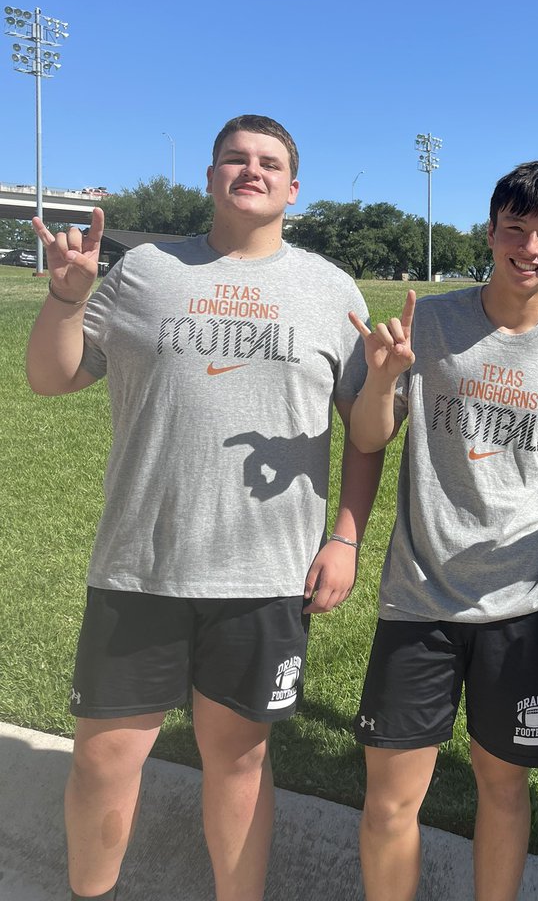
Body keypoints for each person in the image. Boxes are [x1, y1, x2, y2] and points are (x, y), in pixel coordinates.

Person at [26, 115, 382, 901]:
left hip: (264, 573)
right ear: (211, 177)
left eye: (269, 162)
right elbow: (53, 377)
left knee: (241, 762)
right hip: (140, 563)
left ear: (294, 188)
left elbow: (365, 433)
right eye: (234, 159)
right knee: (101, 762)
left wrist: (348, 538)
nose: (250, 170)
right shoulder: (147, 271)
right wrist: (64, 299)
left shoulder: (330, 290)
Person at [346, 161, 538, 901]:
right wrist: (380, 380)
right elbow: (369, 438)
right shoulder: (428, 323)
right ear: (490, 231)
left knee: (504, 792)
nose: (529, 246)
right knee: (392, 801)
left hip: (522, 608)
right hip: (419, 598)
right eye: (516, 228)